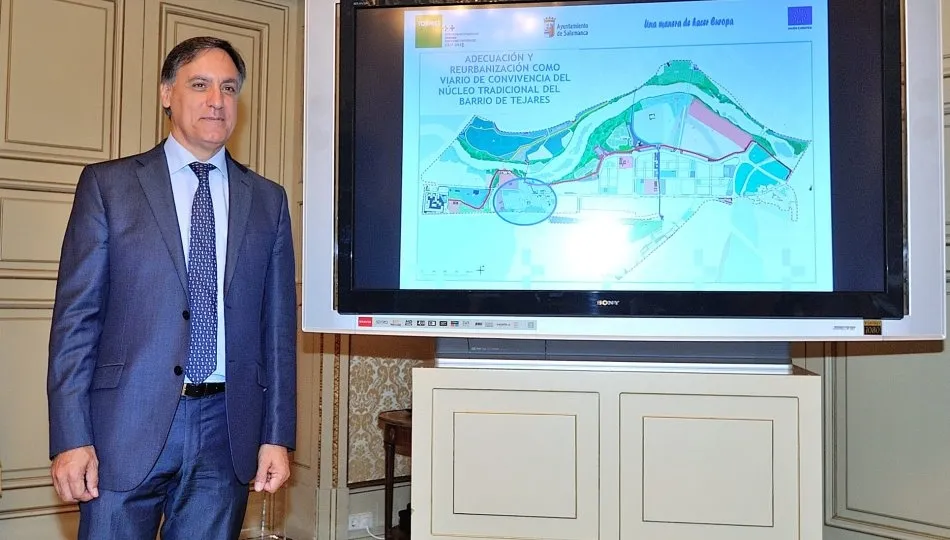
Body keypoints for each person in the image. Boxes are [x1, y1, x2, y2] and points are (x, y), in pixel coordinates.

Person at [46, 36, 297, 539]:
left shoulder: (268, 200)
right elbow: (76, 322)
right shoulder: (109, 187)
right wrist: (71, 437)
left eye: (229, 88)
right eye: (200, 85)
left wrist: (276, 436)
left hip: (227, 433)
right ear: (167, 94)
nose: (217, 100)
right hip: (122, 430)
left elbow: (278, 331)